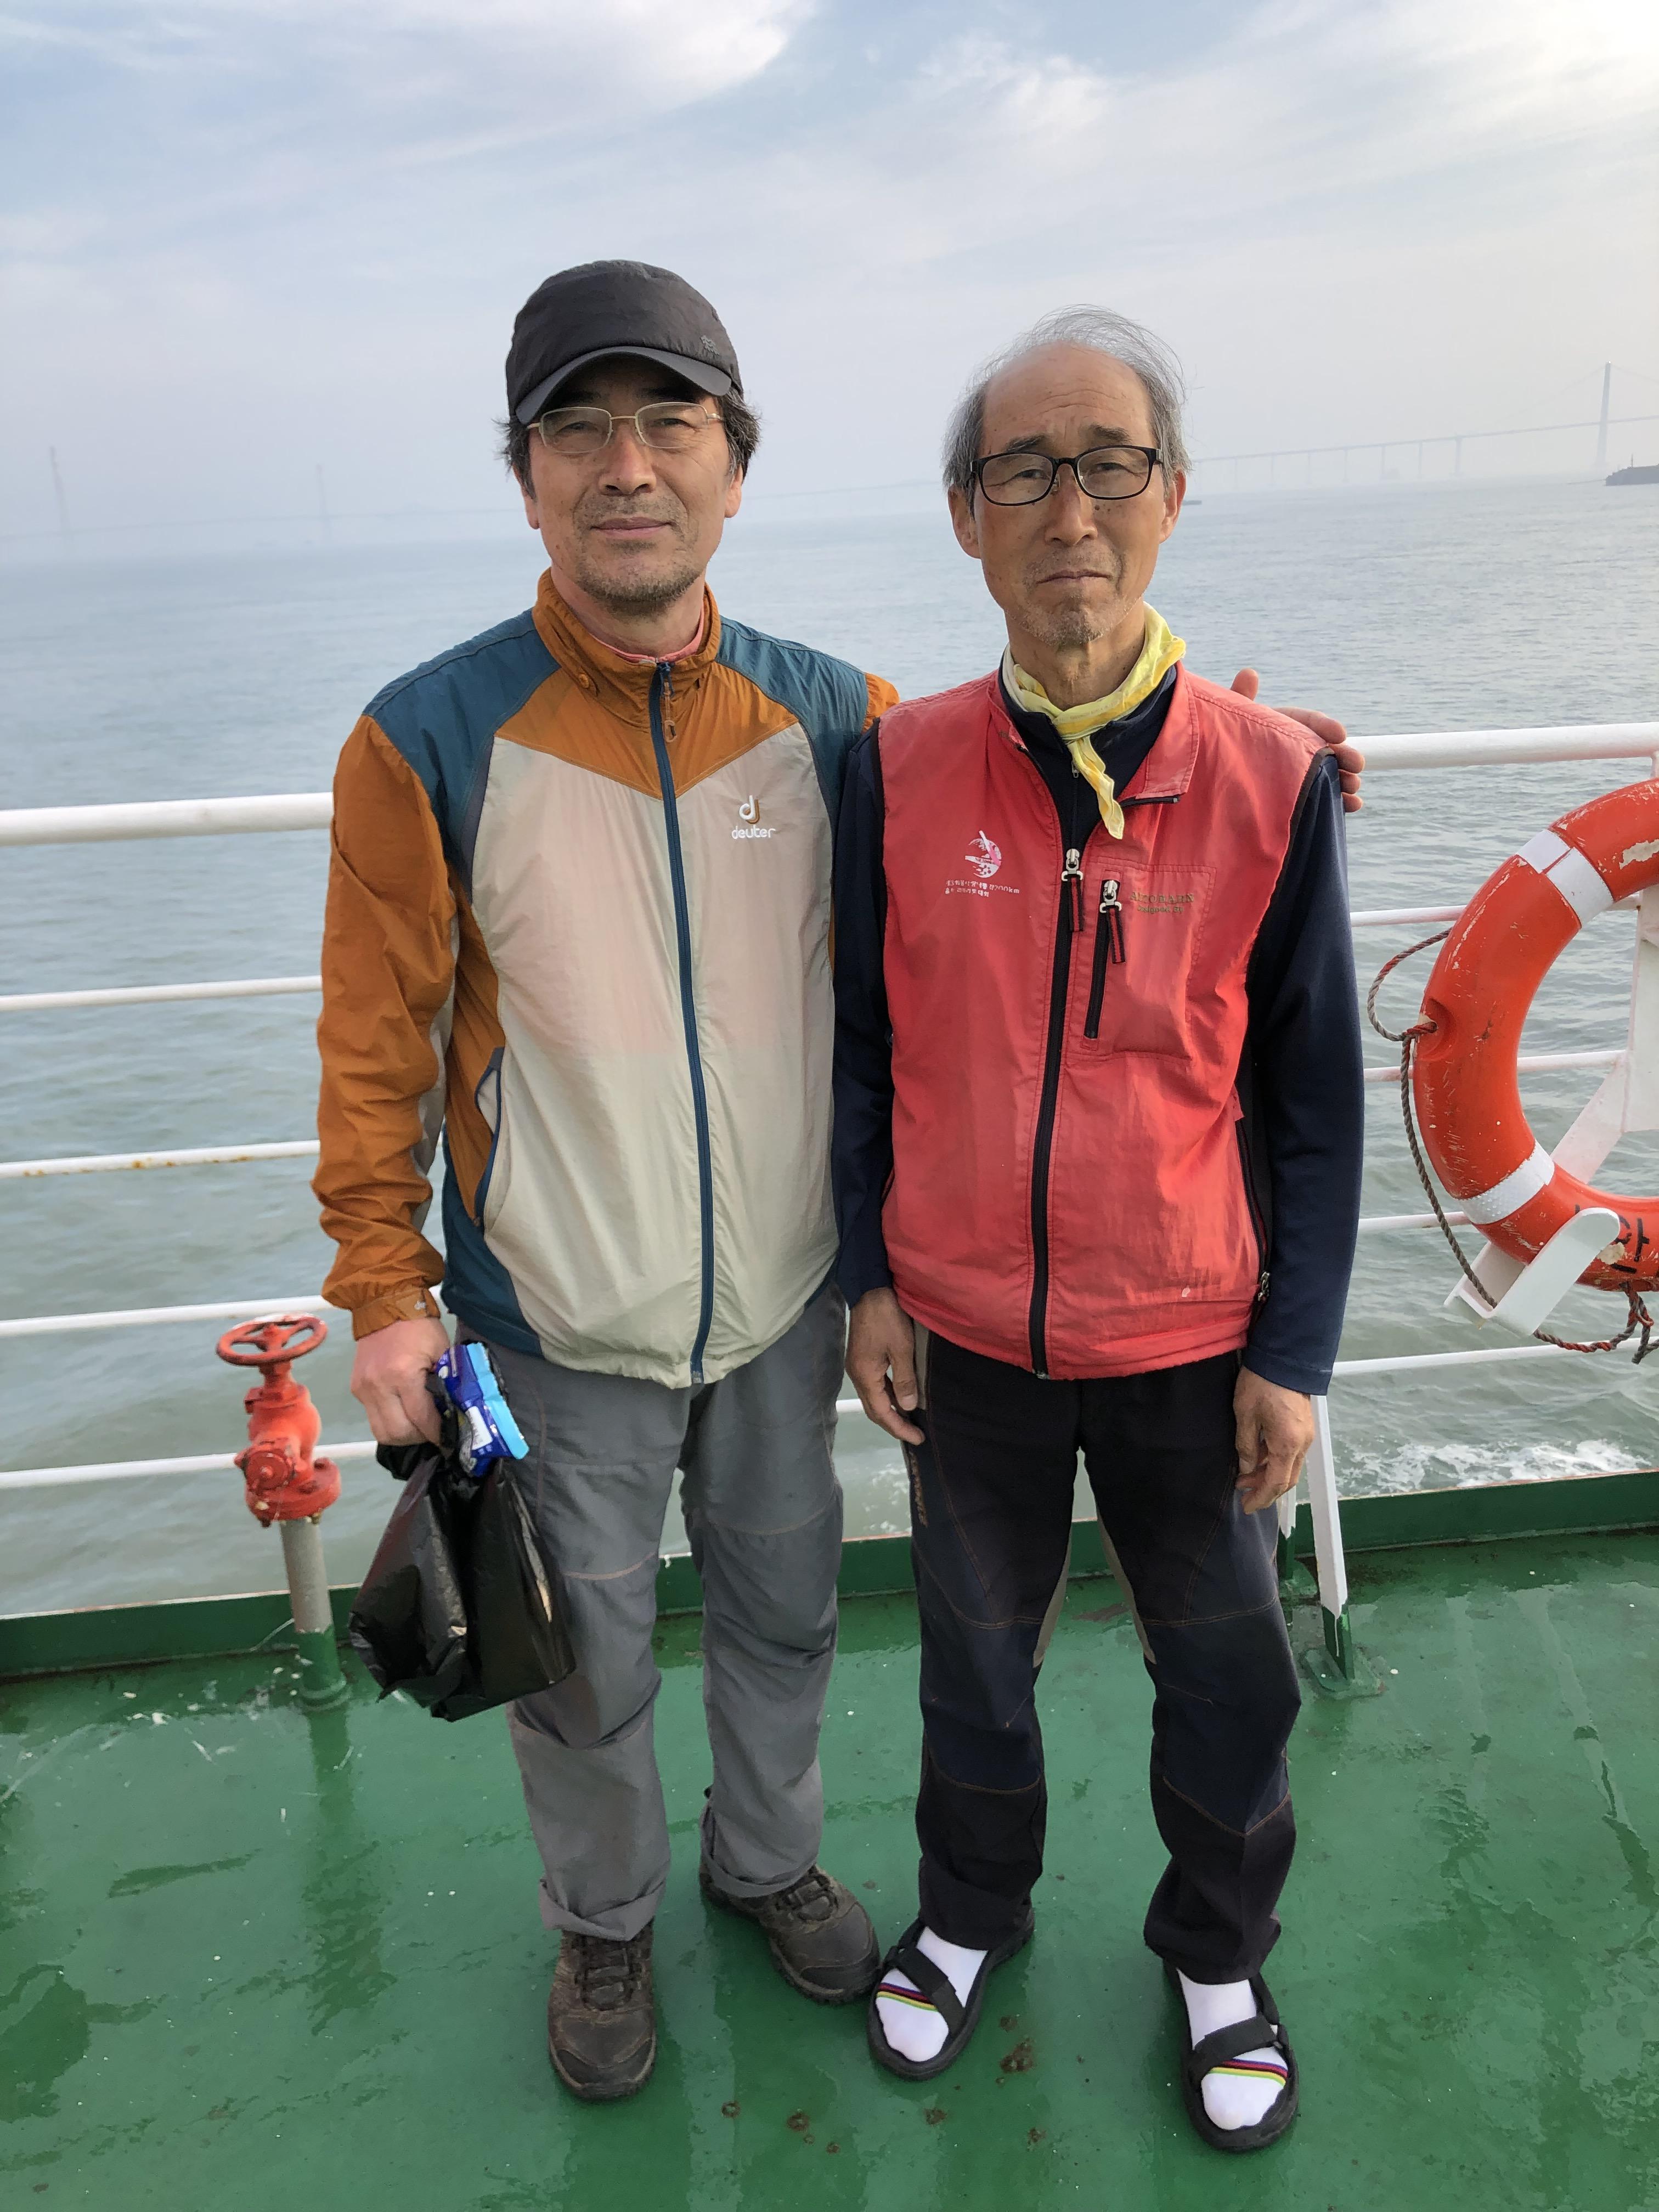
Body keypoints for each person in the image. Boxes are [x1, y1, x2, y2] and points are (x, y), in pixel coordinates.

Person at [314, 264, 1362, 2109]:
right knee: (585, 1660)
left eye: (672, 425)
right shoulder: (428, 736)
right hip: (558, 1303)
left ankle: (768, 1863)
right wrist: (385, 1291)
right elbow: (375, 1039)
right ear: (527, 475)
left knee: (793, 1613)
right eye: (580, 431)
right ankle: (606, 1922)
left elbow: (1062, 789)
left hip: (800, 1299)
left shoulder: (838, 725)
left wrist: (1265, 754)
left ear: (735, 467)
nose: (629, 467)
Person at [832, 307, 1365, 2153]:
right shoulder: (895, 768)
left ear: (1173, 495)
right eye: (1025, 471)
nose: (1070, 509)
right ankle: (971, 1913)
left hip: (1193, 1339)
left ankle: (1218, 1953)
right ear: (966, 517)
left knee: (1224, 1673)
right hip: (965, 1335)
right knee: (974, 1661)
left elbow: (1315, 1097)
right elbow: (864, 1047)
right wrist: (870, 1275)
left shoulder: (1272, 778)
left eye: (1110, 464)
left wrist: (1294, 1353)